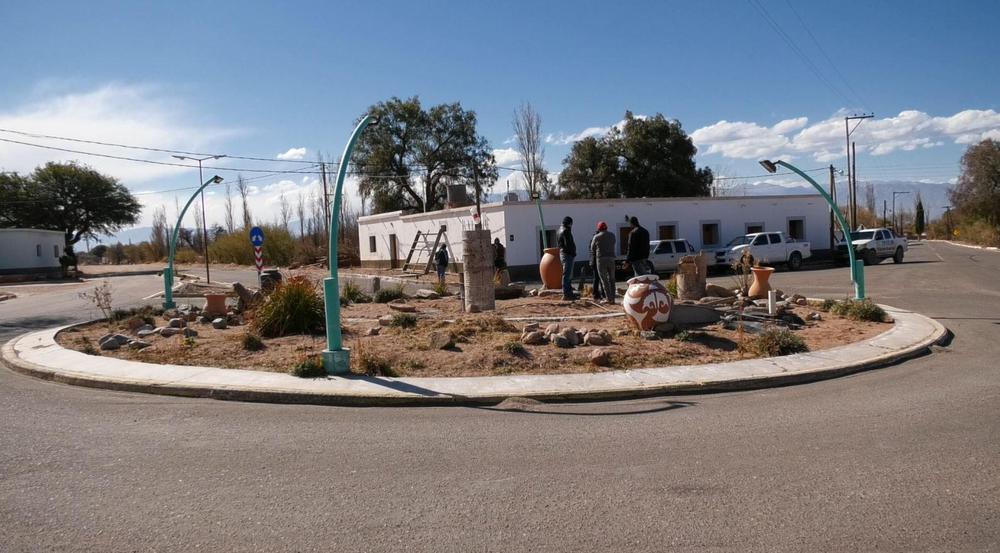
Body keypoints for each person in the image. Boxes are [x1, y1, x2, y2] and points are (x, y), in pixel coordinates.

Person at [590, 221, 617, 303]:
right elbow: (614, 243)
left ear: (599, 228)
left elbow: (592, 248)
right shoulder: (612, 235)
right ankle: (613, 298)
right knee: (612, 279)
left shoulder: (596, 237)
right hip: (611, 258)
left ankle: (608, 298)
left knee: (604, 280)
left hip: (601, 259)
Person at [556, 216, 578, 301]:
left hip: (563, 253)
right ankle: (567, 293)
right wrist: (573, 253)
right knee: (567, 274)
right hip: (567, 254)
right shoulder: (565, 231)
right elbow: (568, 244)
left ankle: (568, 292)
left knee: (567, 273)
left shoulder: (559, 230)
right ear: (569, 223)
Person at [588, 229, 604, 301]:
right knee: (600, 278)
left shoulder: (592, 240)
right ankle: (601, 294)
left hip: (592, 261)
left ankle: (596, 294)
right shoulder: (597, 240)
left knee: (596, 278)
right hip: (596, 261)